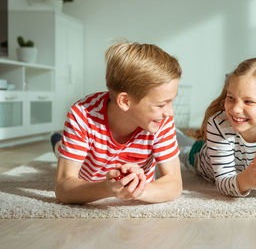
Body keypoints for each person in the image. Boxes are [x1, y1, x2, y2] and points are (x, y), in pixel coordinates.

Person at [51, 41, 183, 204]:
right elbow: (63, 188)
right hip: (90, 177)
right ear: (125, 101)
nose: (170, 112)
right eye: (162, 104)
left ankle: (60, 145)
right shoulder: (82, 114)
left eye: (170, 102)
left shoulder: (161, 119)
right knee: (61, 152)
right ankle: (58, 144)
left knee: (66, 151)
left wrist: (137, 189)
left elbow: (174, 183)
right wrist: (107, 188)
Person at [179, 58, 256, 197]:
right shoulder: (218, 125)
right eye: (231, 98)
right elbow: (224, 183)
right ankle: (177, 135)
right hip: (203, 158)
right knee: (179, 150)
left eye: (248, 101)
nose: (236, 109)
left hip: (247, 161)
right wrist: (247, 180)